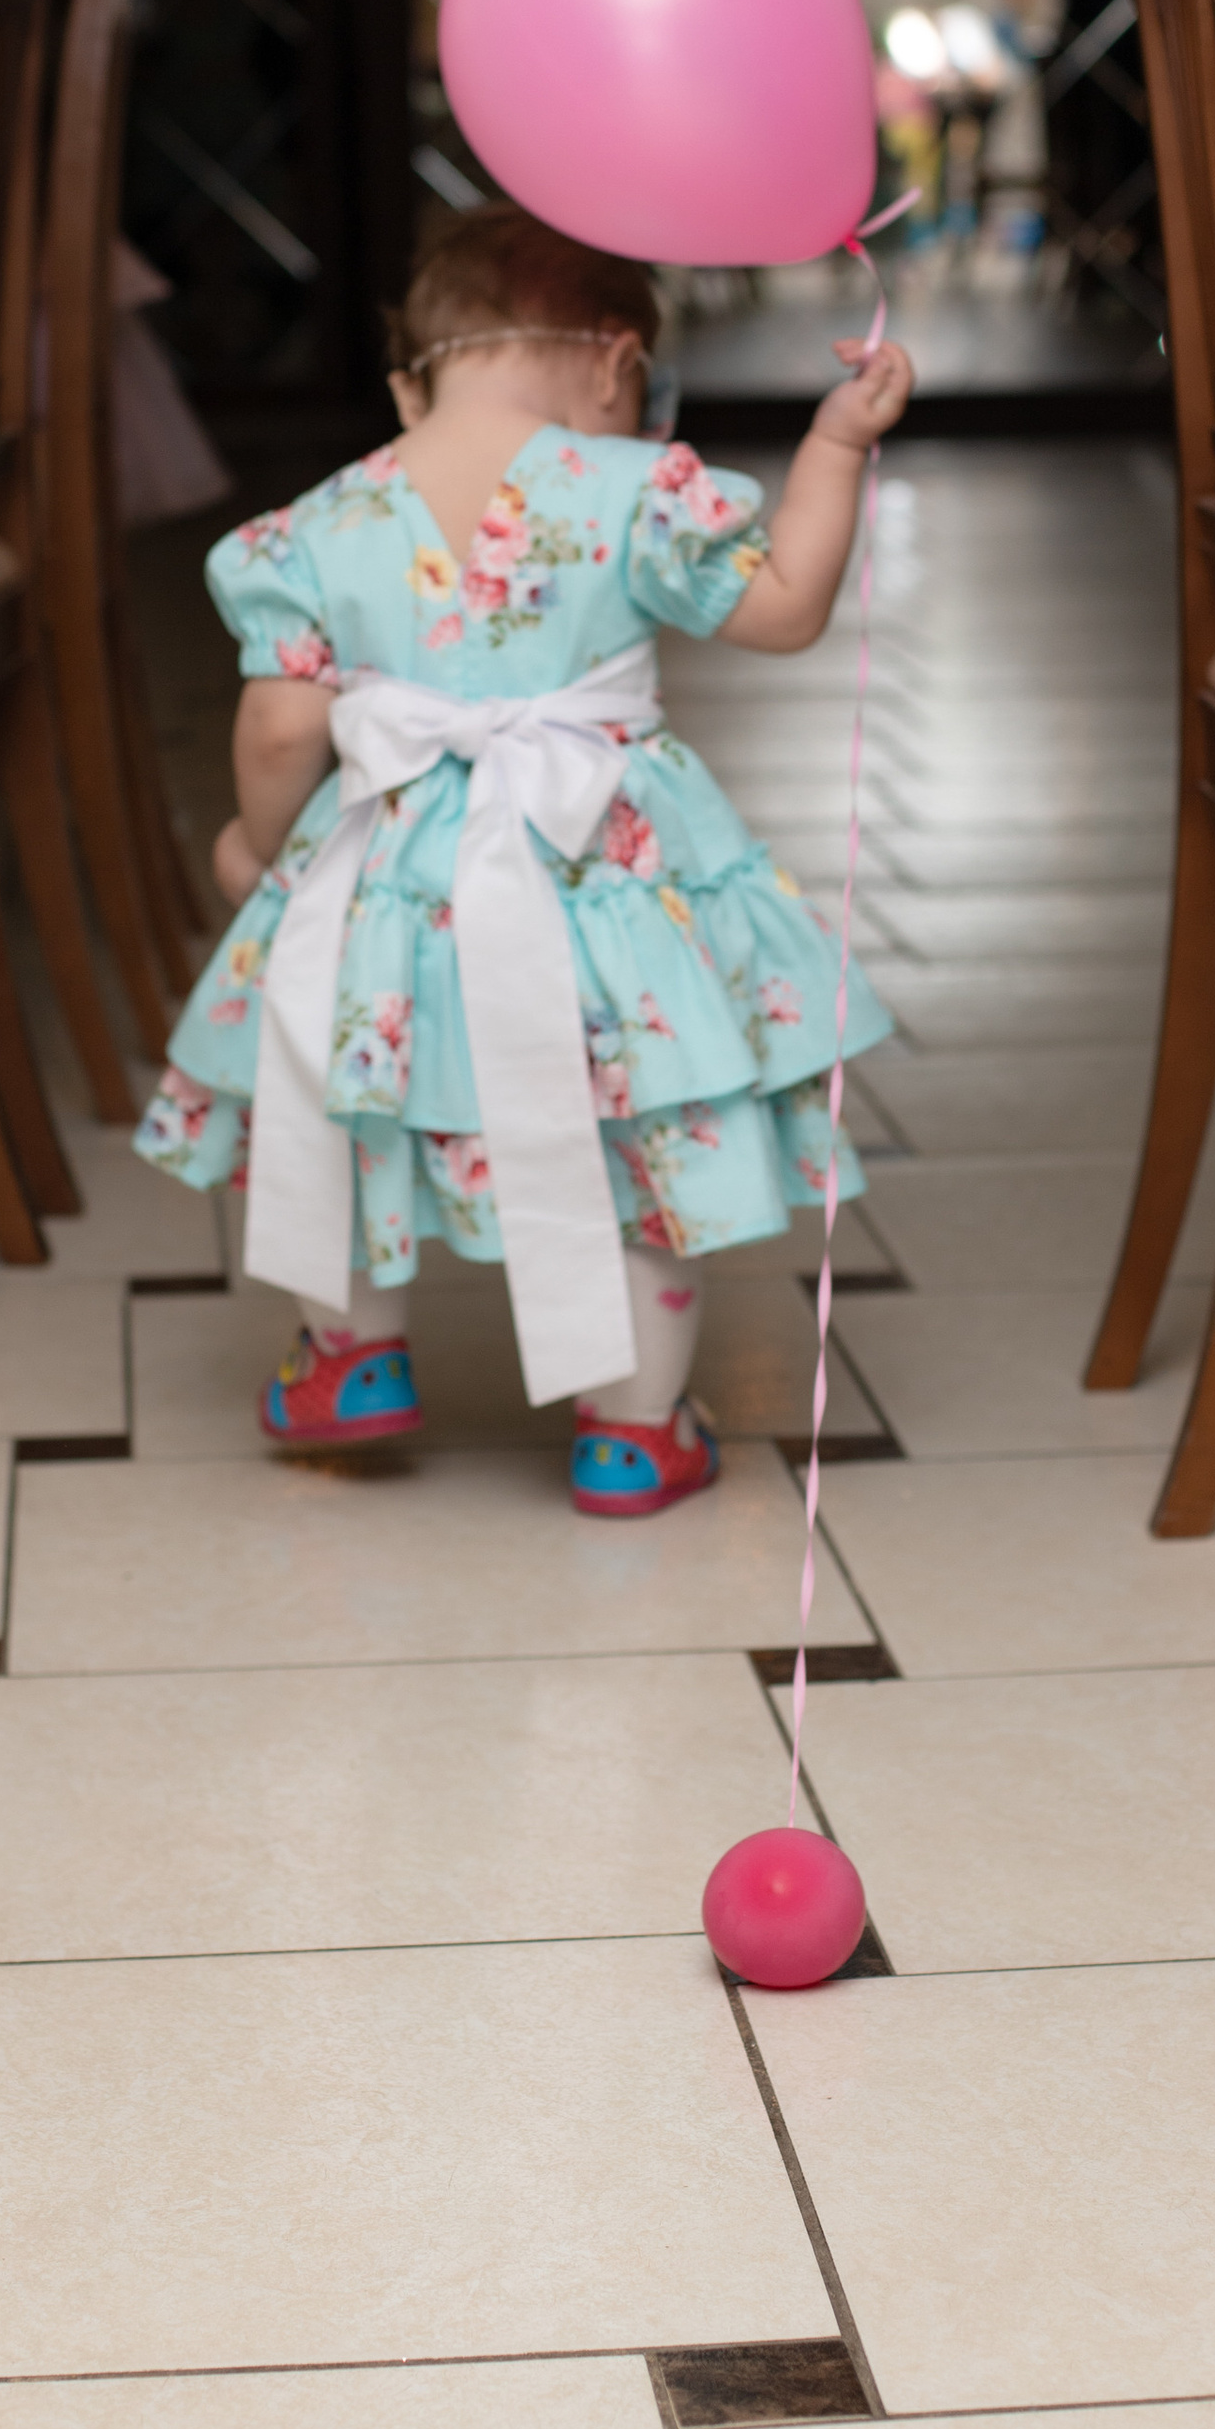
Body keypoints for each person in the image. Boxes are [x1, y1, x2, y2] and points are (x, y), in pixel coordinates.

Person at [133, 202, 912, 1514]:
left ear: (406, 381)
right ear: (618, 363)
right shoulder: (635, 488)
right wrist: (836, 444)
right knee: (633, 1139)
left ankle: (353, 1359)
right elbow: (784, 610)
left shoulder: (315, 523)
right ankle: (632, 1430)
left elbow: (278, 726)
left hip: (389, 899)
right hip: (600, 892)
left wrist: (262, 853)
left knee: (350, 1108)